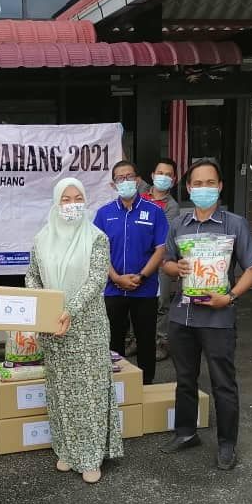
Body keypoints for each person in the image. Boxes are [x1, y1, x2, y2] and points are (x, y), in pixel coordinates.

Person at [160, 159, 252, 469]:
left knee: (223, 382)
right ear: (189, 188)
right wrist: (174, 267)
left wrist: (230, 296)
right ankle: (186, 432)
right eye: (197, 184)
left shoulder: (234, 224)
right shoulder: (178, 223)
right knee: (185, 378)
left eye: (210, 183)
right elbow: (166, 261)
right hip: (182, 316)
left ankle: (227, 444)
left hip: (218, 318)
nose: (203, 188)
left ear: (219, 187)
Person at [26, 177, 123, 484]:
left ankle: (91, 457)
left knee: (89, 392)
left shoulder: (96, 237)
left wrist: (69, 310)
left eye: (77, 198)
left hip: (86, 326)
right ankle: (67, 451)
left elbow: (96, 280)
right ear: (56, 203)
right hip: (52, 327)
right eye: (65, 199)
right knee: (61, 392)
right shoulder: (42, 238)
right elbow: (31, 275)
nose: (71, 205)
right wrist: (43, 306)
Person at [93, 160, 169, 384]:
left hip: (144, 290)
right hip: (113, 290)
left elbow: (161, 249)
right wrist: (115, 277)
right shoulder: (103, 214)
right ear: (113, 185)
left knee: (146, 342)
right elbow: (98, 252)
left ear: (138, 180)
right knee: (113, 343)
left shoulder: (154, 212)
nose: (125, 181)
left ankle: (145, 388)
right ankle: (116, 389)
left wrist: (142, 276)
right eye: (120, 178)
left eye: (129, 177)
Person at [144, 158, 182, 361]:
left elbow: (162, 233)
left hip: (161, 260)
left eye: (168, 175)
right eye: (160, 173)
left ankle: (161, 341)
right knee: (137, 300)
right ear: (152, 175)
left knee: (161, 302)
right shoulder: (140, 191)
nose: (163, 177)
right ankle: (135, 338)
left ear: (173, 180)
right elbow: (123, 166)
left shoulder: (172, 206)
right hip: (138, 259)